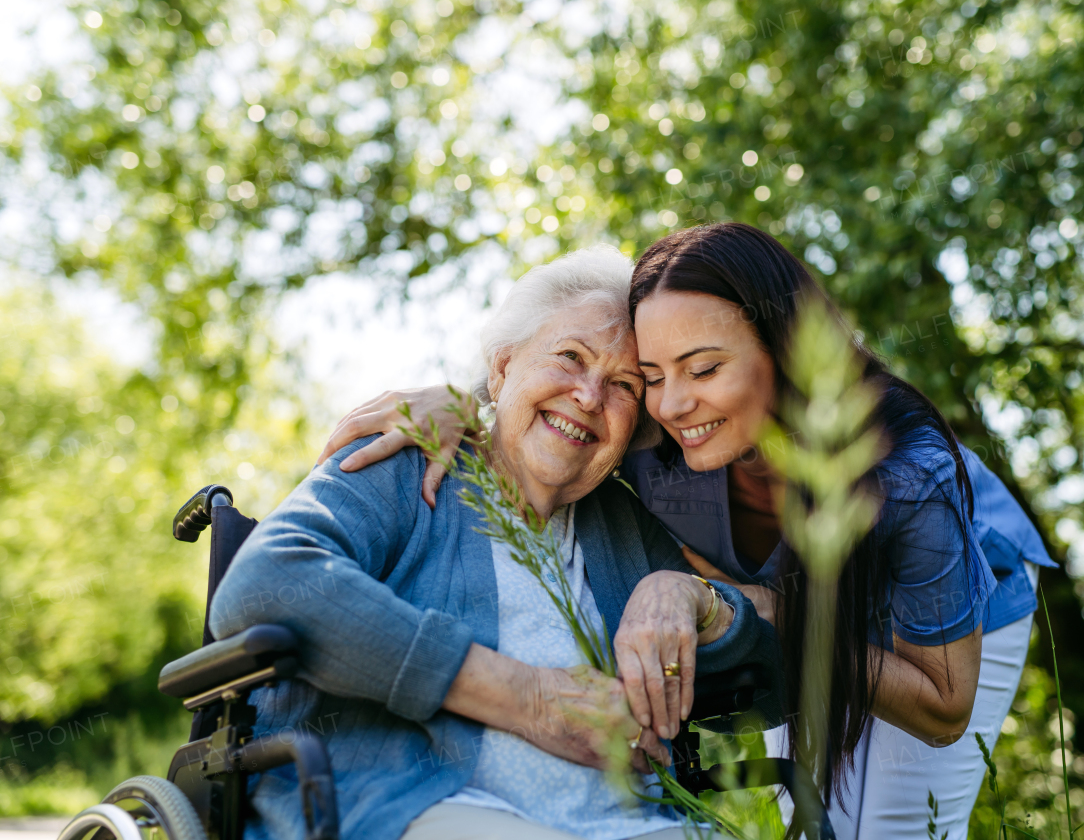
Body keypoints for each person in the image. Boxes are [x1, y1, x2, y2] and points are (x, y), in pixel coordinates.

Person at [322, 224, 1058, 840]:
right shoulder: (657, 430)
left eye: (704, 369)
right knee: (808, 820)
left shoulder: (908, 475)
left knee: (894, 829)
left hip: (941, 626)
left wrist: (765, 608)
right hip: (799, 608)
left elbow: (942, 709)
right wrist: (467, 400)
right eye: (653, 375)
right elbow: (560, 385)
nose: (671, 404)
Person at [212, 245, 778, 840]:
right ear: (502, 369)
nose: (589, 396)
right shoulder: (408, 463)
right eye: (569, 356)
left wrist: (692, 598)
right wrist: (528, 698)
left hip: (630, 824)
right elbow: (262, 585)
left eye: (624, 386)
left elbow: (768, 689)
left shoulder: (621, 526)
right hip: (411, 812)